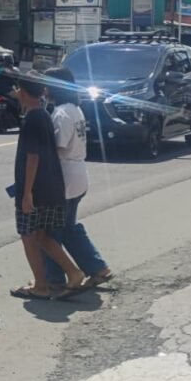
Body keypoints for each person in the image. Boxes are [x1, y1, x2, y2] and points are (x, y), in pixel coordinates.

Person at [9, 72, 86, 301]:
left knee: (28, 236)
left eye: (18, 89)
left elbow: (33, 157)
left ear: (23, 92)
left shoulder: (33, 118)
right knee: (42, 236)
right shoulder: (44, 115)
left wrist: (27, 193)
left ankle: (41, 286)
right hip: (52, 186)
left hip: (37, 189)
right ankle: (73, 272)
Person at [40, 68, 115, 290]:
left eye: (46, 85)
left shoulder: (62, 114)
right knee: (68, 227)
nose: (43, 90)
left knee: (51, 231)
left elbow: (57, 146)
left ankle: (54, 278)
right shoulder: (75, 109)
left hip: (65, 177)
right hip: (77, 174)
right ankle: (97, 267)